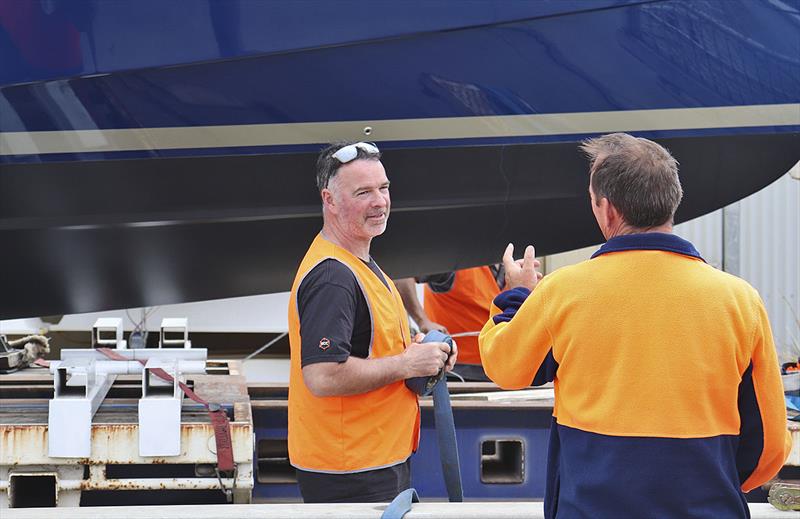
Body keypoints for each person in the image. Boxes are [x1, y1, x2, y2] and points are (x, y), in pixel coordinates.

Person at [479, 133, 791, 518]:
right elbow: (772, 446)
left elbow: (506, 367)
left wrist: (516, 296)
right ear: (672, 201)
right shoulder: (740, 301)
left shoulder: (564, 292)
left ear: (607, 210)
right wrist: (713, 483)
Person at [287, 141, 457, 503]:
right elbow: (322, 376)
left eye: (384, 188)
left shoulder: (358, 261)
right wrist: (406, 363)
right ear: (329, 200)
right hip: (350, 471)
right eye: (363, 192)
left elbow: (372, 345)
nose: (379, 202)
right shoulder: (333, 276)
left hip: (371, 460)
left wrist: (425, 353)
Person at [396, 265, 504, 381]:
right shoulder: (456, 259)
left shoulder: (515, 264)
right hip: (453, 371)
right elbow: (401, 276)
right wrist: (423, 321)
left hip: (503, 371)